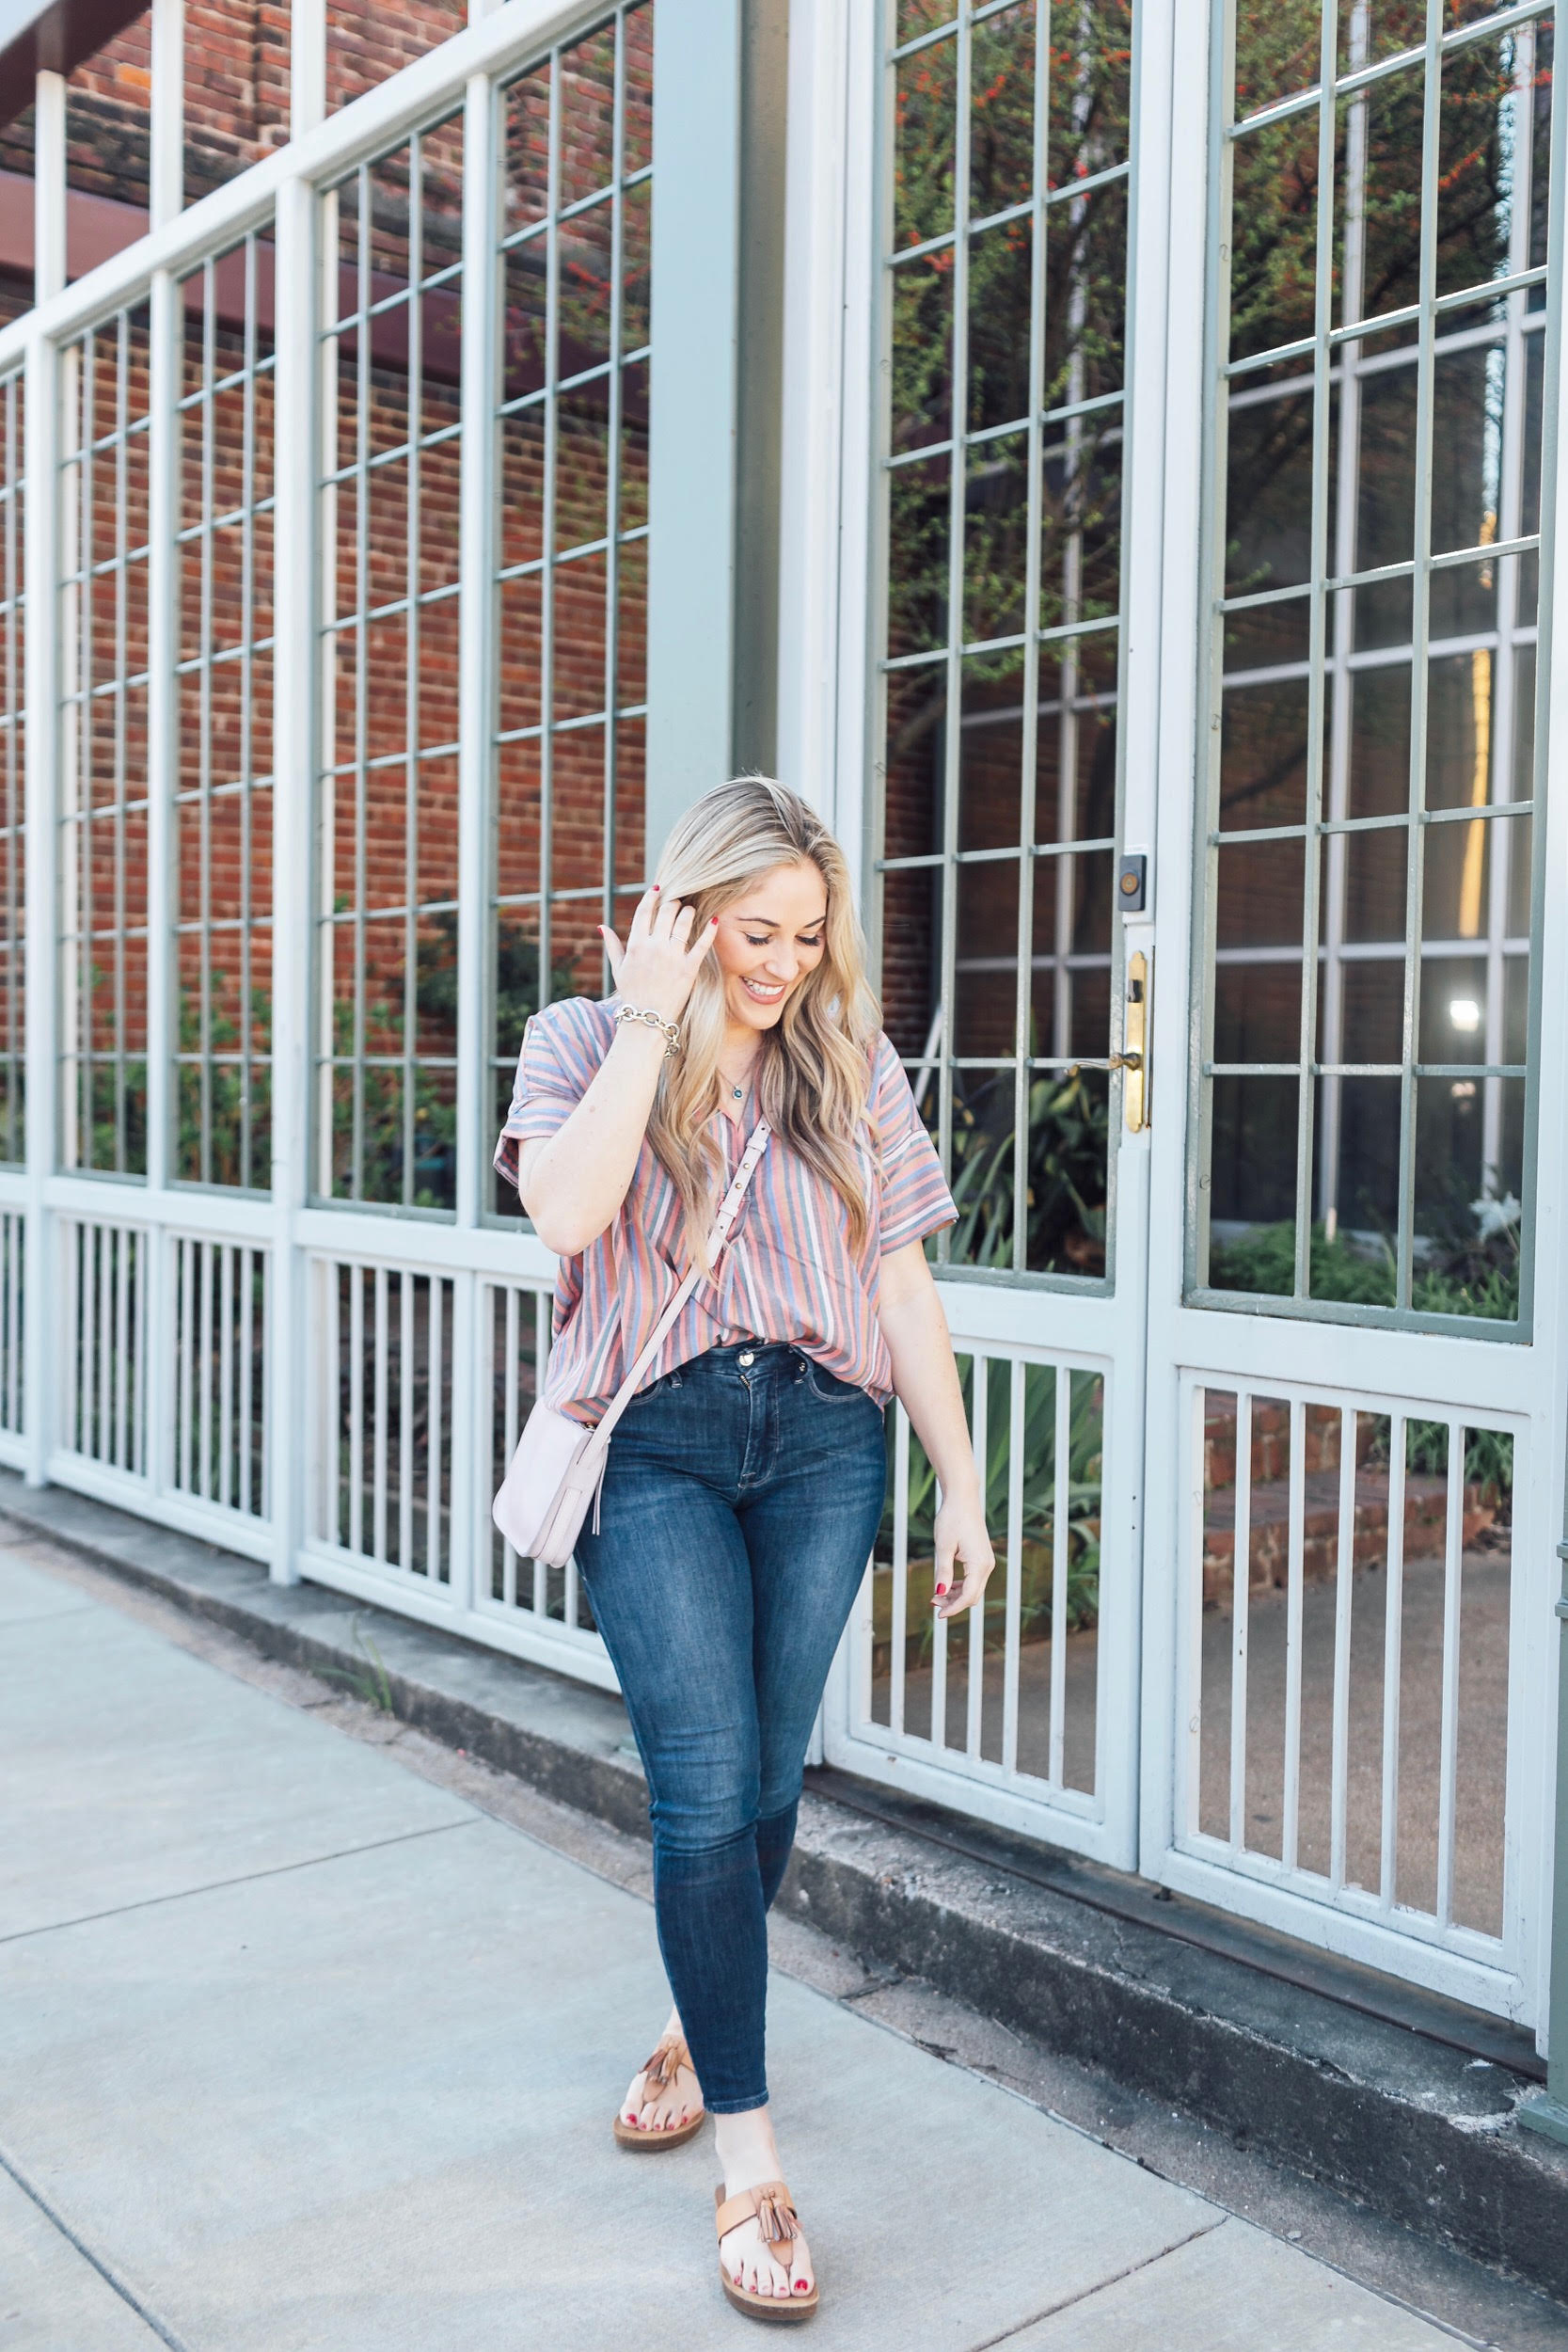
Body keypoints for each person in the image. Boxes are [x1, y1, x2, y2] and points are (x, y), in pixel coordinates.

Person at [496, 776, 993, 2323]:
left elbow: (902, 1292)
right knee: (704, 1787)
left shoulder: (847, 1064)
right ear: (684, 907)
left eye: (804, 937)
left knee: (771, 1785)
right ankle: (751, 2154)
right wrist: (652, 1022)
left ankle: (689, 2021)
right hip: (655, 1446)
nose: (778, 964)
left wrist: (961, 1486)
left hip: (826, 1444)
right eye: (753, 929)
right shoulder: (581, 1041)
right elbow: (567, 1222)